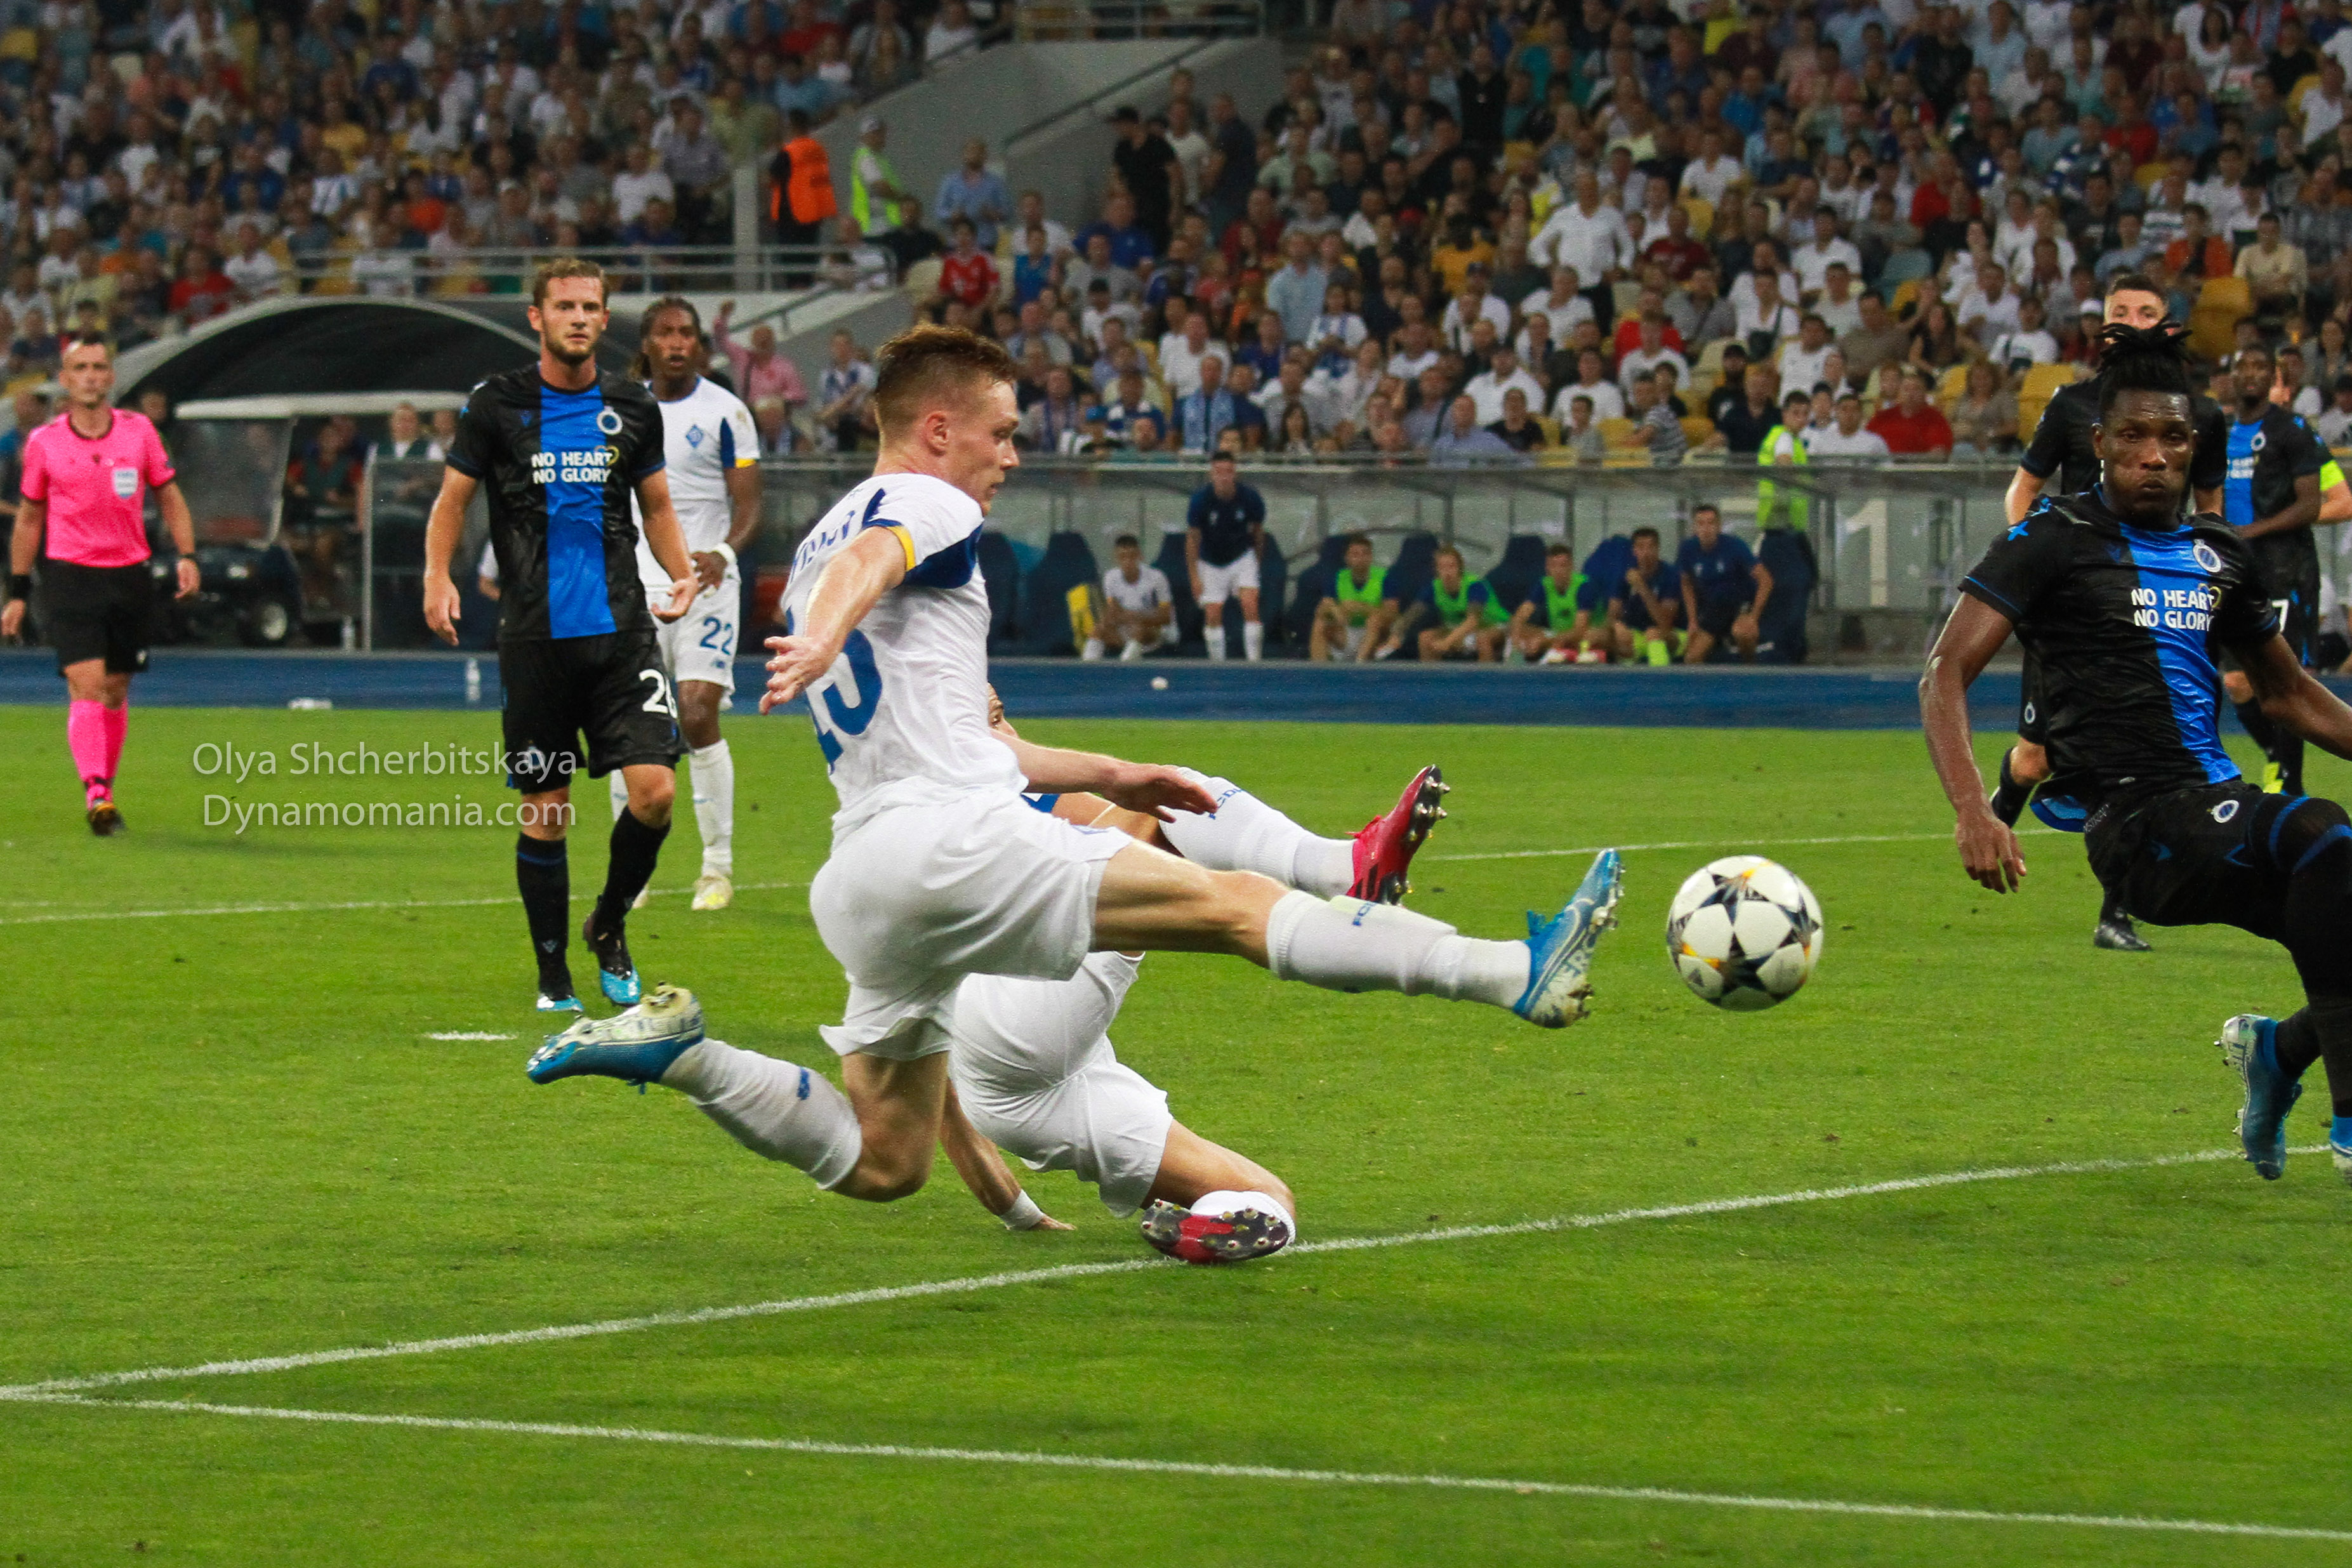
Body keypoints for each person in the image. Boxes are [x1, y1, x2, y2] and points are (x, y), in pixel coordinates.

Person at [527, 324, 1621, 1220]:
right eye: (1002, 434)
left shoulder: (817, 537)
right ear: (938, 429)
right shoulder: (925, 502)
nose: (1010, 458)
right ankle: (1505, 970)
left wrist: (1118, 772)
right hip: (951, 840)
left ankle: (684, 1056)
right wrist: (819, 637)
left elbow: (981, 738)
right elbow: (879, 557)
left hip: (864, 874)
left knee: (885, 1157)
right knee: (1240, 906)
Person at [1919, 320, 2352, 1190]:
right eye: (2133, 436)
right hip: (2134, 827)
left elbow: (2288, 694)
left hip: (2214, 806)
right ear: (2099, 443)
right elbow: (1944, 672)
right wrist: (1973, 808)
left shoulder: (2217, 554)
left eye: (2172, 438)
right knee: (2324, 830)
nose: (2152, 455)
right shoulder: (2053, 538)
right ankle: (2349, 1127)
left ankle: (2275, 1050)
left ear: (2195, 448)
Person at [421, 260, 699, 1013]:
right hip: (535, 641)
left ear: (605, 319)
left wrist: (680, 572)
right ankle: (553, 976)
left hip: (622, 633)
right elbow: (452, 501)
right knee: (547, 808)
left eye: (590, 307)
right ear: (536, 318)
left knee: (655, 793)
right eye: (564, 306)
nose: (578, 317)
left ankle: (607, 922)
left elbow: (658, 506)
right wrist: (437, 576)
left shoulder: (632, 405)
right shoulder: (497, 404)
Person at [1998, 275, 2230, 951]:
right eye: (2119, 311)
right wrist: (2031, 568)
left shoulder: (2203, 415)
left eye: (2145, 312)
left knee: (2140, 758)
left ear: (2166, 324)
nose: (2131, 321)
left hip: (2159, 606)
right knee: (2033, 759)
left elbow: (2211, 511)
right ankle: (1990, 821)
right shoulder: (2071, 404)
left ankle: (2115, 910)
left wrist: (2210, 581)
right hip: (2076, 607)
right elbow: (2023, 490)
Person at [604, 297, 764, 914]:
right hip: (636, 586)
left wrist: (723, 550)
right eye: (666, 333)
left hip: (706, 583)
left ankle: (716, 869)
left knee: (697, 713)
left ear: (699, 344)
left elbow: (750, 502)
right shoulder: (619, 410)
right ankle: (633, 874)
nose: (677, 343)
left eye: (687, 334)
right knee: (630, 727)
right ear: (647, 343)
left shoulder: (727, 411)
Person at [1, 336, 195, 834]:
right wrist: (18, 592)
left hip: (130, 573)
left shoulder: (139, 431)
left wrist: (187, 556)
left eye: (99, 367)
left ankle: (105, 786)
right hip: (70, 574)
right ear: (65, 380)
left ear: (111, 377)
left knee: (115, 687)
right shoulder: (44, 442)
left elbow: (170, 496)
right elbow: (29, 519)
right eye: (81, 368)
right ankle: (97, 793)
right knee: (86, 683)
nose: (90, 376)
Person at [2213, 341, 2328, 798]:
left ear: (2274, 377)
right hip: (2236, 574)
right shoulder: (2219, 433)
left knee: (2286, 681)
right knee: (2237, 682)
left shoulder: (2291, 429)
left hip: (2285, 572)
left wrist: (2251, 531)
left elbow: (2311, 505)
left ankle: (2290, 788)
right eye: (2243, 365)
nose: (2251, 373)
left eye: (2261, 366)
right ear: (2232, 377)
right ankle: (2277, 758)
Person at [1185, 451, 1265, 661]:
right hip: (1211, 560)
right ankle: (1217, 665)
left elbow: (1258, 532)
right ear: (1212, 474)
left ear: (1235, 474)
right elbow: (1193, 539)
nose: (1223, 477)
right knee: (1212, 613)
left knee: (1250, 604)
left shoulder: (1250, 497)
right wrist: (1194, 576)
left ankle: (1255, 663)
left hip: (1241, 555)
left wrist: (1256, 564)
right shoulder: (1200, 500)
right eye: (1218, 472)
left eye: (1228, 472)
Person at [1677, 504, 1773, 663]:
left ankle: (1750, 668)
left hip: (1739, 606)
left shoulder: (1735, 546)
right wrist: (1692, 620)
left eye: (1711, 523)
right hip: (1714, 610)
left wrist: (1753, 617)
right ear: (1695, 528)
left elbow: (1766, 579)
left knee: (1744, 633)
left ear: (1719, 526)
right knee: (1692, 658)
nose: (1706, 529)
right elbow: (1686, 583)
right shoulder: (1688, 549)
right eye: (1701, 524)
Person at [1392, 543, 1507, 662]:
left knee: (1482, 639)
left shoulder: (1474, 585)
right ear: (1437, 570)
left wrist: (1448, 641)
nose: (1447, 572)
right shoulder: (1434, 588)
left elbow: (1473, 621)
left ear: (1460, 568)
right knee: (1425, 637)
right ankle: (1431, 673)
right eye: (1443, 567)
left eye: (1452, 566)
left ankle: (1486, 673)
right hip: (1457, 629)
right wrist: (1396, 635)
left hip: (1494, 627)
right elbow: (1411, 615)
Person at [1311, 530, 1399, 662]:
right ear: (1347, 559)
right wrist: (1337, 610)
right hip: (1346, 632)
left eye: (1365, 554)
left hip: (1376, 634)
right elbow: (1323, 608)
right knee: (1320, 623)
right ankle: (1318, 669)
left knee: (1375, 621)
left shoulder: (1385, 577)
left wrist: (1363, 608)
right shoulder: (1338, 578)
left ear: (1371, 557)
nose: (1360, 559)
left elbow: (1392, 613)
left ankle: (1360, 665)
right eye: (1355, 555)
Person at [1508, 541, 1597, 663]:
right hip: (1557, 634)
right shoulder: (1544, 584)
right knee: (1518, 627)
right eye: (1553, 566)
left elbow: (1580, 629)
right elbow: (1521, 615)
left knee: (1588, 636)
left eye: (1563, 566)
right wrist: (1516, 640)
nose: (1558, 571)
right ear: (1547, 568)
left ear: (1571, 567)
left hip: (1582, 636)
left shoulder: (1584, 586)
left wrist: (1545, 641)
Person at [1606, 525, 1682, 665]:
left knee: (1653, 633)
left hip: (1670, 634)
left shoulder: (1670, 575)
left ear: (1658, 549)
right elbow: (1612, 616)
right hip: (1635, 632)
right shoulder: (1625, 574)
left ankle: (1660, 677)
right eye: (1641, 547)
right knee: (1598, 636)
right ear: (1634, 551)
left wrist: (1642, 587)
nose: (1646, 553)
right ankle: (1624, 676)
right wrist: (1618, 627)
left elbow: (1665, 622)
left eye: (1651, 547)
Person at [1090, 532, 1172, 661]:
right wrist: (1126, 619)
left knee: (1138, 629)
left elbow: (1166, 617)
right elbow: (1112, 612)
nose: (1128, 562)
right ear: (1116, 558)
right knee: (1098, 629)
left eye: (1132, 556)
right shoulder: (1110, 577)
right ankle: (1088, 666)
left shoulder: (1157, 577)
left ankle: (1127, 665)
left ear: (1140, 556)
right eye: (1123, 557)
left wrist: (1137, 617)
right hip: (1124, 629)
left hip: (1151, 631)